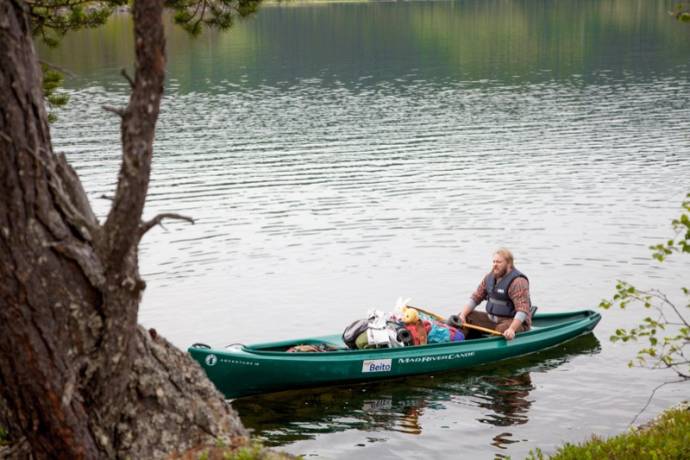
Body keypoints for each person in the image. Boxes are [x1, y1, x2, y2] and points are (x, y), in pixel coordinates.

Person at [458, 248, 531, 341]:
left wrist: (512, 329)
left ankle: (485, 346)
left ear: (509, 264)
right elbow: (476, 298)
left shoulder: (518, 281)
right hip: (493, 320)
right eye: (494, 261)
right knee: (465, 316)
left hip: (515, 322)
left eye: (499, 262)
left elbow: (522, 310)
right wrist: (463, 315)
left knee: (502, 329)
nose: (495, 265)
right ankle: (455, 342)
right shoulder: (489, 278)